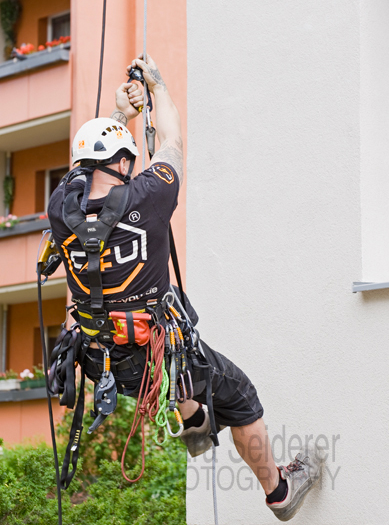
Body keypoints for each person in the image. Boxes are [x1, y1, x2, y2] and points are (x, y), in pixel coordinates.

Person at [47, 56, 324, 521]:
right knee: (240, 397)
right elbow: (172, 141)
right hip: (155, 353)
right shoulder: (147, 197)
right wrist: (157, 88)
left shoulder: (59, 210)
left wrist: (119, 115)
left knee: (183, 365)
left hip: (104, 361)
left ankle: (194, 421)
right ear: (121, 162)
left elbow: (81, 171)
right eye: (129, 160)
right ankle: (279, 491)